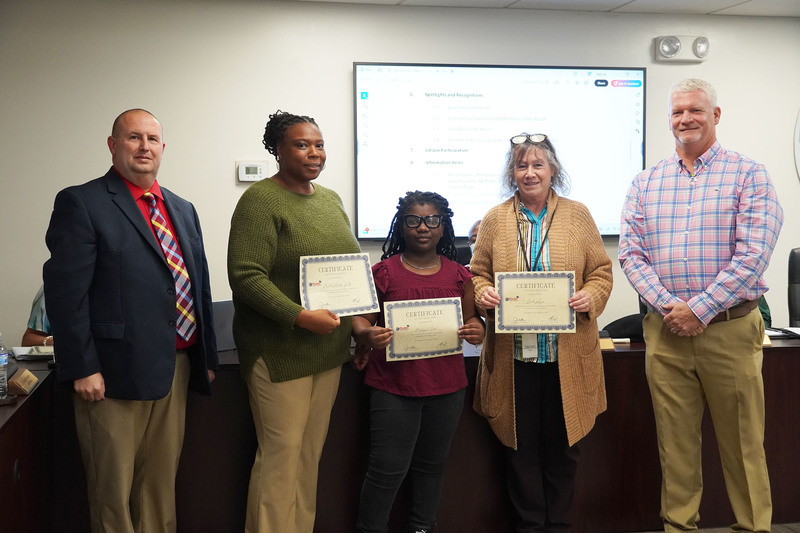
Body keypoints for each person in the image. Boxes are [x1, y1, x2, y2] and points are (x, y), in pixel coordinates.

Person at [619, 78, 783, 533]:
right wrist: (673, 308)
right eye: (676, 112)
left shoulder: (749, 175)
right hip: (666, 332)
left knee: (743, 447)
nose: (684, 119)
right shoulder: (646, 181)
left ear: (715, 115)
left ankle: (754, 528)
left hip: (729, 331)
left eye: (694, 110)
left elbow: (752, 255)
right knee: (675, 448)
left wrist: (701, 308)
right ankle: (679, 528)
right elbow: (631, 254)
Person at [43, 108, 219, 533]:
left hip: (174, 368)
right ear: (113, 145)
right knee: (113, 489)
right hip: (111, 374)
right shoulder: (82, 202)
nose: (144, 147)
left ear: (162, 147)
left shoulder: (181, 207)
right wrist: (82, 365)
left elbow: (198, 285)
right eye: (133, 138)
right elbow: (67, 294)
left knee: (159, 486)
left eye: (152, 139)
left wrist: (207, 356)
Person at [471, 133, 612, 532]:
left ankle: (559, 525)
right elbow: (477, 272)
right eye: (521, 166)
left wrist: (590, 295)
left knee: (564, 449)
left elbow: (601, 270)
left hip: (565, 357)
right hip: (515, 358)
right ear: (511, 173)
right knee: (519, 449)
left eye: (538, 165)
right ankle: (529, 525)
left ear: (553, 171)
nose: (529, 173)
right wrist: (484, 292)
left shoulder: (578, 214)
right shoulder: (496, 219)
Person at [227, 110, 360, 533]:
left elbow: (349, 273)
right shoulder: (260, 200)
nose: (314, 153)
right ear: (278, 151)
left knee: (308, 458)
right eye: (302, 144)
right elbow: (246, 276)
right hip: (279, 353)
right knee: (280, 458)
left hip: (328, 351)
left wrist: (360, 327)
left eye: (319, 144)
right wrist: (300, 317)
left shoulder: (331, 199)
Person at [352, 191, 485, 533]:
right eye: (413, 220)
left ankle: (423, 527)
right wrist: (366, 336)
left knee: (431, 467)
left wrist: (476, 329)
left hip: (446, 388)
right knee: (386, 469)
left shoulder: (460, 276)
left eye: (432, 221)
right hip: (393, 388)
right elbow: (361, 323)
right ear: (401, 226)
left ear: (444, 227)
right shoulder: (382, 272)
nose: (422, 227)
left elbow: (474, 326)